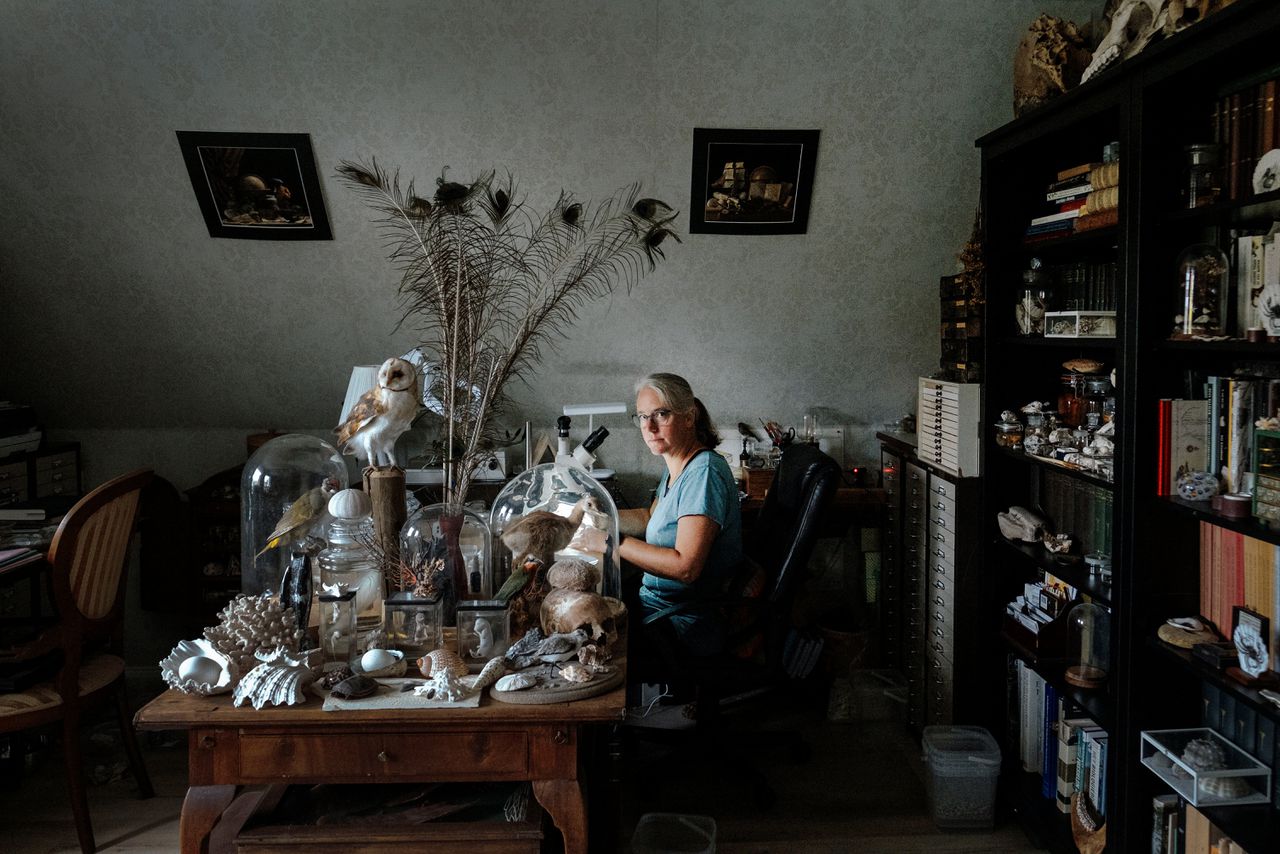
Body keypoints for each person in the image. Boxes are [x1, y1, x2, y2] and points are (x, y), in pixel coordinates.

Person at [618, 372, 742, 658]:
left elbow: (686, 567)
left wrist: (612, 542)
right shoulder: (677, 465)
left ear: (689, 417)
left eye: (661, 414)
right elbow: (651, 518)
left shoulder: (704, 472)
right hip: (658, 605)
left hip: (680, 622)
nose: (648, 427)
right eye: (641, 416)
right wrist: (599, 516)